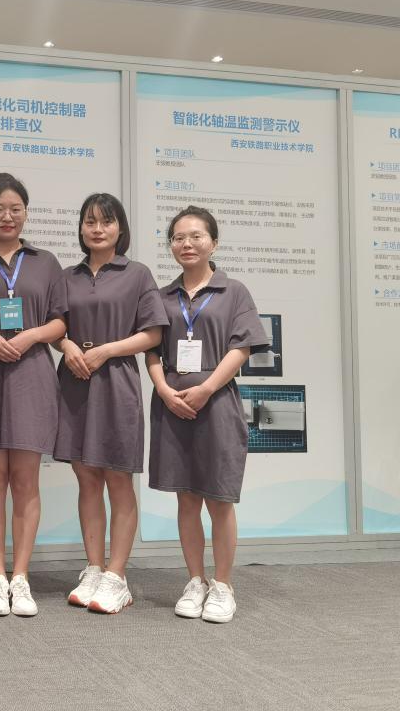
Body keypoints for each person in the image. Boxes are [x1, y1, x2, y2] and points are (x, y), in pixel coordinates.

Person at [145, 206, 268, 623]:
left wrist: (206, 388)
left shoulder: (234, 291)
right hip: (173, 406)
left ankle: (223, 585)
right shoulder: (162, 296)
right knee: (186, 498)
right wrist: (164, 391)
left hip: (215, 405)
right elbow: (151, 350)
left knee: (219, 499)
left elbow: (241, 348)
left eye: (196, 236)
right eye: (178, 237)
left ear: (213, 242)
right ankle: (195, 581)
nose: (187, 244)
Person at [55, 193, 168, 614]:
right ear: (81, 228)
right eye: (90, 222)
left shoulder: (137, 274)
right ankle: (94, 568)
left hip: (116, 380)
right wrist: (67, 345)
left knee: (118, 480)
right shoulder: (67, 276)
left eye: (106, 221)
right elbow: (55, 326)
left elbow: (153, 334)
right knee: (86, 479)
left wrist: (105, 351)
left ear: (121, 228)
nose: (98, 229)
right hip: (75, 381)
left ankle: (117, 576)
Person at [0, 173, 67, 617]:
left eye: (15, 209)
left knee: (25, 481)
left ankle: (21, 577)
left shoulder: (46, 262)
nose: (7, 216)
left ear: (25, 214)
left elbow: (61, 321)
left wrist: (29, 337)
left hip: (31, 374)